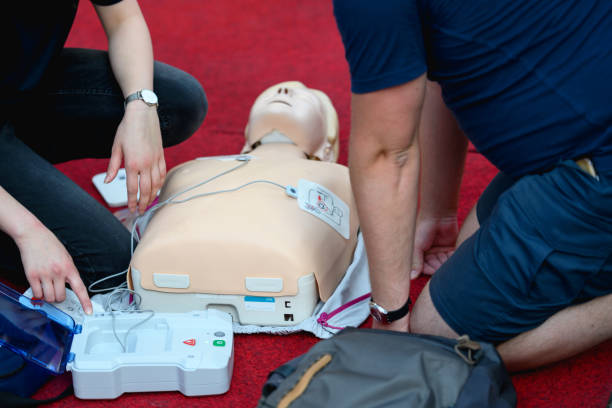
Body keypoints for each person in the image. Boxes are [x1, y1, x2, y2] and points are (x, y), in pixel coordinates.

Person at [333, 0, 612, 371]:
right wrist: (438, 211)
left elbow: (387, 153)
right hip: (580, 140)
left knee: (442, 334)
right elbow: (441, 70)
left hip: (599, 163)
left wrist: (389, 319)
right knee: (467, 252)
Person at [0, 1, 207, 315]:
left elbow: (124, 19)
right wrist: (27, 230)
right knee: (108, 263)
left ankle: (22, 172)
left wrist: (140, 106)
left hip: (20, 92)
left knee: (176, 102)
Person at [128, 81, 360, 326]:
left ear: (326, 146)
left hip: (172, 268)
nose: (283, 91)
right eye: (268, 93)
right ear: (248, 132)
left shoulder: (338, 177)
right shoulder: (189, 169)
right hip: (167, 263)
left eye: (304, 99)